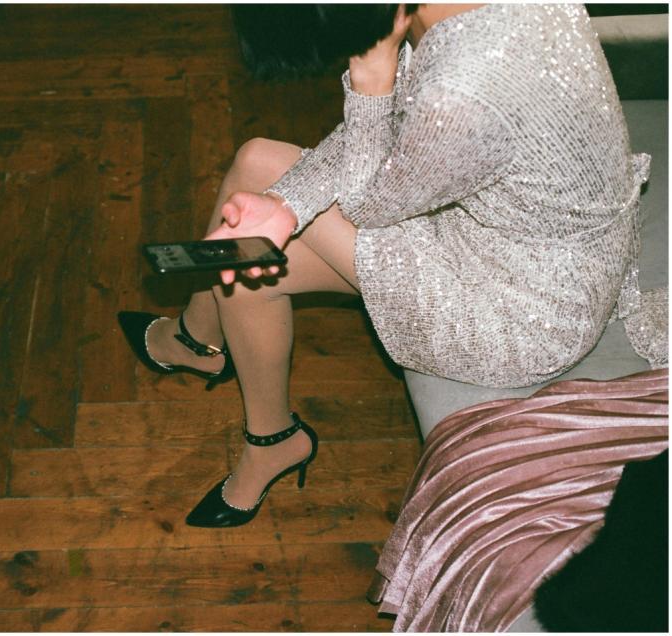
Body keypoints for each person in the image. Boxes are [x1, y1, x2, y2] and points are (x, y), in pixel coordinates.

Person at [119, 4, 648, 528]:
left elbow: (368, 201)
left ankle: (228, 383)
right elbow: (398, 142)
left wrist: (371, 79)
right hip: (501, 233)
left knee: (254, 223)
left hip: (517, 310)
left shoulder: (466, 86)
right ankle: (213, 360)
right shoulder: (450, 13)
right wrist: (283, 206)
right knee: (257, 173)